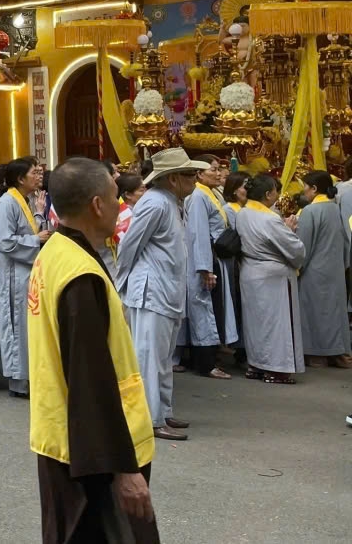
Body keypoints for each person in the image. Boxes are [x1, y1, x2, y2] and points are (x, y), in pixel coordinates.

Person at [29, 158, 158, 544]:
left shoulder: (54, 254)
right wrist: (123, 470)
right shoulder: (79, 274)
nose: (122, 205)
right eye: (117, 196)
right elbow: (91, 380)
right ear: (98, 205)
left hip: (61, 437)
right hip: (91, 455)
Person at [116, 147, 209, 441]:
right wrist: (121, 284)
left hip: (166, 290)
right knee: (149, 359)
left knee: (163, 358)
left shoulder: (170, 202)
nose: (196, 179)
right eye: (190, 175)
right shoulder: (155, 203)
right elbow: (130, 245)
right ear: (172, 179)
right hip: (152, 291)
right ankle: (151, 418)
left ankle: (163, 411)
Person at [235, 175, 306, 384]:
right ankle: (276, 368)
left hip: (250, 271)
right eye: (275, 191)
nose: (277, 195)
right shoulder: (270, 219)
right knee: (277, 324)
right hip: (272, 276)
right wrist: (290, 230)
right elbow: (295, 250)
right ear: (268, 194)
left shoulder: (243, 213)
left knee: (256, 323)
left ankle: (256, 365)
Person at [0, 157, 51, 398]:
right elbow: (5, 241)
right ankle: (18, 381)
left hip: (27, 272)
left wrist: (38, 215)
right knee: (17, 326)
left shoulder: (26, 200)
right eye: (34, 173)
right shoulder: (7, 202)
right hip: (13, 274)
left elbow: (32, 230)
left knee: (28, 326)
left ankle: (29, 376)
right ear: (20, 178)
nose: (39, 176)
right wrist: (35, 240)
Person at [182, 155, 236, 380]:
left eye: (218, 169)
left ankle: (212, 356)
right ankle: (205, 363)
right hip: (206, 260)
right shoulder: (196, 196)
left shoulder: (211, 193)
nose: (218, 173)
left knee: (215, 308)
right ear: (199, 174)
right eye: (213, 170)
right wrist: (205, 268)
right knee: (206, 310)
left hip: (216, 258)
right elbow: (198, 234)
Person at [296, 170, 352, 368]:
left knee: (314, 313)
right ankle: (338, 351)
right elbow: (347, 240)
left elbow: (303, 247)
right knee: (335, 313)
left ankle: (316, 353)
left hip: (314, 271)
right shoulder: (335, 208)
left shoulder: (310, 211)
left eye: (304, 186)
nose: (303, 191)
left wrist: (297, 269)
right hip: (335, 269)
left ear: (314, 189)